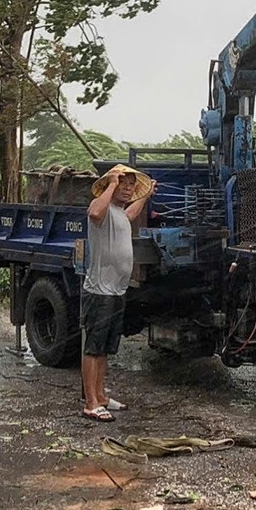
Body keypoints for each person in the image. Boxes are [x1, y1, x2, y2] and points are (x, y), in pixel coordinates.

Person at [79, 164, 152, 422]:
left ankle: (100, 396)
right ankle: (90, 403)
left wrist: (146, 195)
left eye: (132, 184)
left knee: (106, 348)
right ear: (112, 185)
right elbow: (93, 211)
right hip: (99, 291)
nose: (129, 188)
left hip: (116, 291)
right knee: (93, 348)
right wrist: (110, 183)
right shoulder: (103, 208)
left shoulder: (119, 213)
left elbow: (131, 214)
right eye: (124, 183)